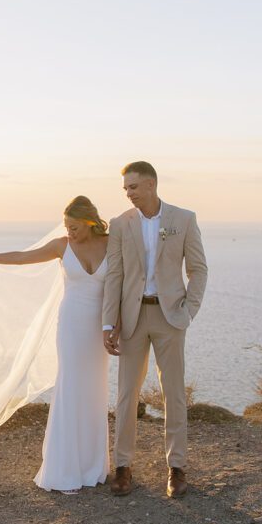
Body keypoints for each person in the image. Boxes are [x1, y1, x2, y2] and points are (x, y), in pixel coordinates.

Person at [0, 195, 110, 493]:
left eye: (75, 226)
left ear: (91, 222)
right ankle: (64, 467)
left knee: (95, 390)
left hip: (101, 328)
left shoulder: (111, 243)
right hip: (71, 324)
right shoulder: (61, 246)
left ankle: (93, 466)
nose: (70, 231)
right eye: (67, 226)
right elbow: (21, 257)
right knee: (69, 387)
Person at [102, 161, 208, 498]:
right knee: (126, 395)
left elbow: (199, 270)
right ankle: (122, 466)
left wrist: (188, 310)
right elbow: (114, 276)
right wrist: (109, 322)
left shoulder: (184, 219)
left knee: (173, 393)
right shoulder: (120, 224)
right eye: (125, 189)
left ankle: (176, 468)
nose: (128, 194)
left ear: (150, 184)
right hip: (132, 318)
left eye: (133, 187)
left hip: (170, 318)